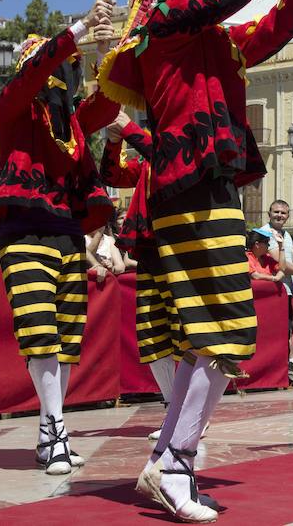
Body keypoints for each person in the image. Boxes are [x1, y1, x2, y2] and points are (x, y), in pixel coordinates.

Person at [97, 0, 293, 520]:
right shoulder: (168, 23)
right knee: (225, 333)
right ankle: (175, 462)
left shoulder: (209, 42)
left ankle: (169, 460)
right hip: (194, 189)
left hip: (208, 189)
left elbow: (275, 25)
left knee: (210, 338)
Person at [0, 0, 118, 476]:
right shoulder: (14, 107)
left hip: (67, 231)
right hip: (22, 229)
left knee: (66, 340)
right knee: (40, 332)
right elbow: (30, 76)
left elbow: (106, 103)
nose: (66, 81)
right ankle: (57, 432)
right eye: (60, 71)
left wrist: (107, 52)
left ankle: (50, 430)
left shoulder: (73, 125)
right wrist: (80, 27)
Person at [99, 110, 180, 441]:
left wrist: (129, 129)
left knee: (184, 331)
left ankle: (191, 414)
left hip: (178, 247)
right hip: (149, 250)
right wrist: (114, 140)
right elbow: (113, 174)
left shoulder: (176, 144)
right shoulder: (148, 156)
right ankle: (175, 410)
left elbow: (171, 160)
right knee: (151, 331)